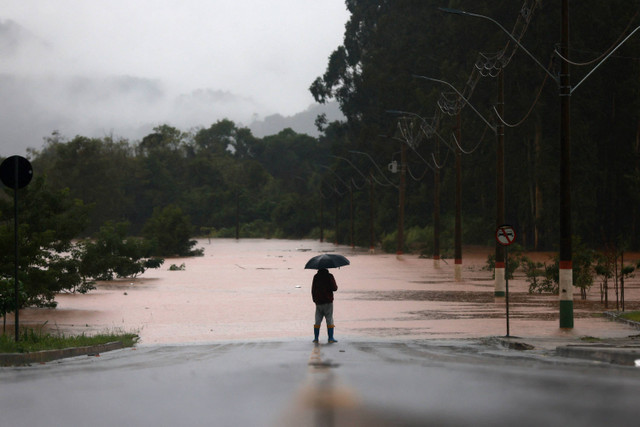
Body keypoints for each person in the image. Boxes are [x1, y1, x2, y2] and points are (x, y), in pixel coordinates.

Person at [311, 268, 338, 343]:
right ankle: (330, 338)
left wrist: (314, 300)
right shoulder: (330, 276)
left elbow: (313, 289)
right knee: (329, 319)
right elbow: (334, 288)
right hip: (328, 302)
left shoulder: (316, 277)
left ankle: (316, 338)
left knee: (317, 320)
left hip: (318, 302)